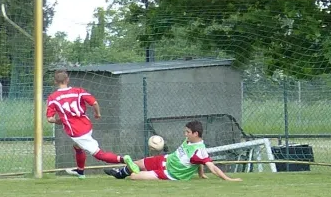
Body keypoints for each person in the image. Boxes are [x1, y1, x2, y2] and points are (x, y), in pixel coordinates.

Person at [46, 70, 139, 179]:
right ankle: (80, 172)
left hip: (76, 131)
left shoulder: (53, 97)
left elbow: (50, 118)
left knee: (99, 154)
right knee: (77, 146)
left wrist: (58, 120)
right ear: (67, 80)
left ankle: (124, 159)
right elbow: (94, 102)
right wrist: (97, 114)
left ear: (55, 82)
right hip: (86, 125)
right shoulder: (78, 91)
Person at [104, 120, 243, 182]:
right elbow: (198, 163)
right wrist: (200, 175)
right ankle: (119, 174)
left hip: (170, 173)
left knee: (134, 177)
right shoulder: (189, 141)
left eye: (187, 132)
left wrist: (228, 179)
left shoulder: (200, 150)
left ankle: (127, 172)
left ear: (196, 134)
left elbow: (211, 166)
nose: (185, 134)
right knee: (137, 163)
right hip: (166, 159)